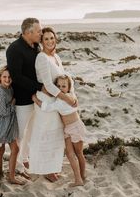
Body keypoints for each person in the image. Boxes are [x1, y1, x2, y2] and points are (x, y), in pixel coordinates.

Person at [28, 27, 77, 182]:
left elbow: (63, 80)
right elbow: (48, 85)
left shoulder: (56, 56)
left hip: (57, 100)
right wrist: (67, 99)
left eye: (52, 38)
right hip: (47, 100)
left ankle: (52, 167)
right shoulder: (41, 57)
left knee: (56, 135)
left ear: (56, 39)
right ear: (41, 42)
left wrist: (71, 96)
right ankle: (45, 169)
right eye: (46, 39)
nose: (50, 41)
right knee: (45, 135)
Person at [32, 74, 86, 186]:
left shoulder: (68, 98)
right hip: (67, 129)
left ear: (69, 87)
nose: (61, 89)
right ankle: (78, 179)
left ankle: (82, 175)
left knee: (79, 153)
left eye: (64, 86)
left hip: (75, 127)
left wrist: (35, 99)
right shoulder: (60, 99)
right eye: (58, 86)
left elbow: (47, 107)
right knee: (70, 154)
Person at [6, 18, 43, 174]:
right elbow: (17, 76)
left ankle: (24, 158)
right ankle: (17, 166)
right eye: (39, 31)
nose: (41, 33)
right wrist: (39, 87)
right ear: (28, 32)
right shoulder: (14, 49)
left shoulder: (36, 46)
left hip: (36, 97)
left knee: (31, 131)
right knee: (20, 134)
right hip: (22, 99)